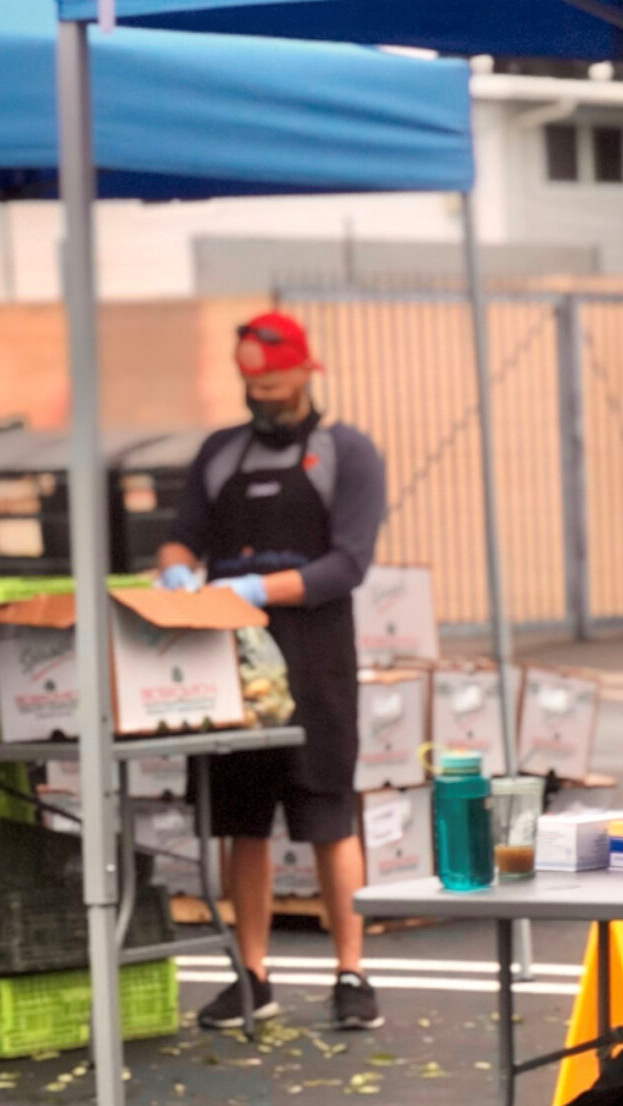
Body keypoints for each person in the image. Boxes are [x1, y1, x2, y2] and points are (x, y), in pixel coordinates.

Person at [158, 312, 389, 1033]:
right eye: (250, 382)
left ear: (305, 372)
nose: (262, 394)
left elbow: (348, 563)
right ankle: (251, 974)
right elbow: (180, 534)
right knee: (242, 824)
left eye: (273, 380)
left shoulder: (346, 454)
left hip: (315, 660)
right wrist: (173, 572)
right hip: (227, 663)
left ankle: (351, 970)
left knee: (326, 814)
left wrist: (262, 588)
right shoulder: (220, 454)